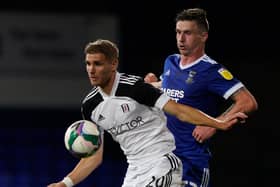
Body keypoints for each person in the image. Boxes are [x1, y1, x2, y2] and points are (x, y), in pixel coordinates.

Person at [47, 39, 247, 187]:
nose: (91, 69)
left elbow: (180, 111)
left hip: (162, 163)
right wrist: (65, 183)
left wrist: (218, 123)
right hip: (134, 172)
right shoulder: (90, 105)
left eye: (97, 64)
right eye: (88, 64)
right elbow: (94, 157)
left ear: (114, 64)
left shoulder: (136, 88)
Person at [144, 8, 258, 187]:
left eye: (187, 33)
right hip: (161, 161)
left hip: (190, 165)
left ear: (203, 36)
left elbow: (247, 102)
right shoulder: (171, 61)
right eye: (178, 32)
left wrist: (214, 124)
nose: (181, 39)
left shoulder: (211, 70)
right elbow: (171, 88)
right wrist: (152, 85)